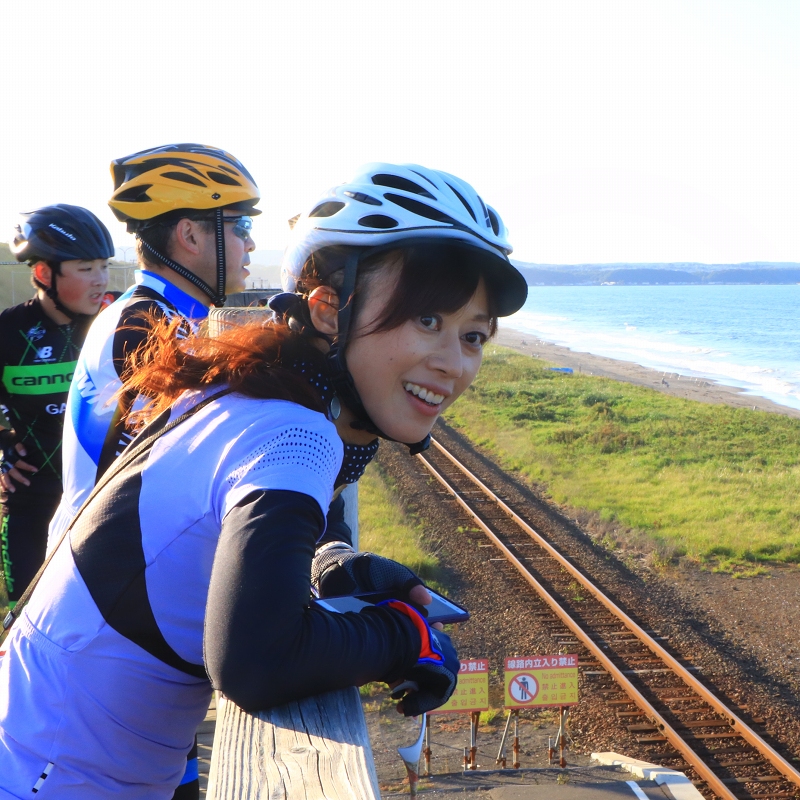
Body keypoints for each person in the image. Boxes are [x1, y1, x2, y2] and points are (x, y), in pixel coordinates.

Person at [0, 163, 527, 798]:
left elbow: (198, 531)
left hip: (42, 746)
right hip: (55, 778)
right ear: (330, 309)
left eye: (473, 335)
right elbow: (255, 661)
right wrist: (405, 635)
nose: (454, 363)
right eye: (427, 321)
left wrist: (328, 564)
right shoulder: (297, 435)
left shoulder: (249, 394)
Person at [47, 144, 260, 559]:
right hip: (102, 580)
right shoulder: (145, 325)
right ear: (191, 235)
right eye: (242, 225)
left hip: (119, 567)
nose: (250, 243)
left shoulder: (164, 313)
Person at [0, 205, 112, 601]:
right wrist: (2, 447)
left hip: (103, 503)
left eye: (103, 266)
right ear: (44, 274)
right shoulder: (7, 333)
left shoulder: (116, 323)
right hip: (32, 505)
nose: (101, 280)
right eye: (85, 269)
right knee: (23, 625)